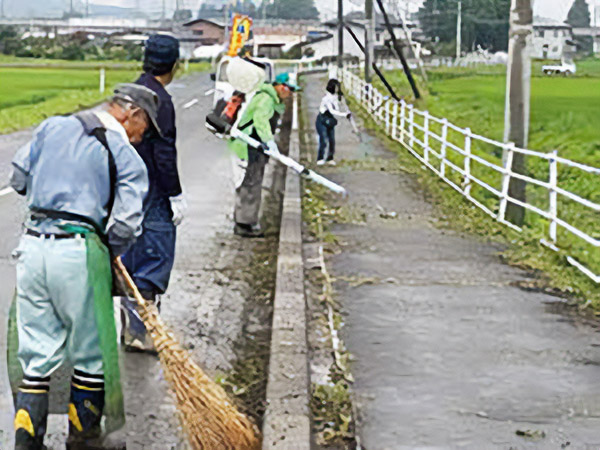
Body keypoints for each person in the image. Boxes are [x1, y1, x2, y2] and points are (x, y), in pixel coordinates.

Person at [9, 83, 156, 450]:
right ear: (132, 113)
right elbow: (126, 221)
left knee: (37, 350)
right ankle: (84, 439)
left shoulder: (53, 126)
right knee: (91, 350)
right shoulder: (120, 147)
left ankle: (27, 443)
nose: (140, 138)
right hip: (78, 251)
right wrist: (110, 251)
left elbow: (18, 178)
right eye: (144, 129)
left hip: (31, 248)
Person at [120, 34, 185, 352]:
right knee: (153, 256)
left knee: (128, 256)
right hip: (152, 190)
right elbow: (164, 152)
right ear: (174, 64)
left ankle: (130, 326)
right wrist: (174, 194)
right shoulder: (160, 101)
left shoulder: (128, 93)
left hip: (123, 188)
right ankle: (142, 332)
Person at [227, 59, 292, 238]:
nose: (290, 94)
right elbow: (261, 122)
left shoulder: (270, 97)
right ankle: (244, 224)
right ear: (280, 86)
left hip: (254, 146)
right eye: (289, 89)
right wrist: (270, 142)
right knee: (250, 183)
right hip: (248, 146)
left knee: (250, 183)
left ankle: (245, 220)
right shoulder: (266, 99)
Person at [315, 78, 351, 166]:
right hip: (322, 119)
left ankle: (330, 158)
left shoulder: (335, 97)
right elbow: (332, 111)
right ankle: (320, 158)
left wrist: (341, 100)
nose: (337, 89)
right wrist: (344, 115)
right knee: (323, 139)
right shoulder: (326, 99)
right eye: (336, 87)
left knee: (332, 140)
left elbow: (337, 108)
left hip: (330, 120)